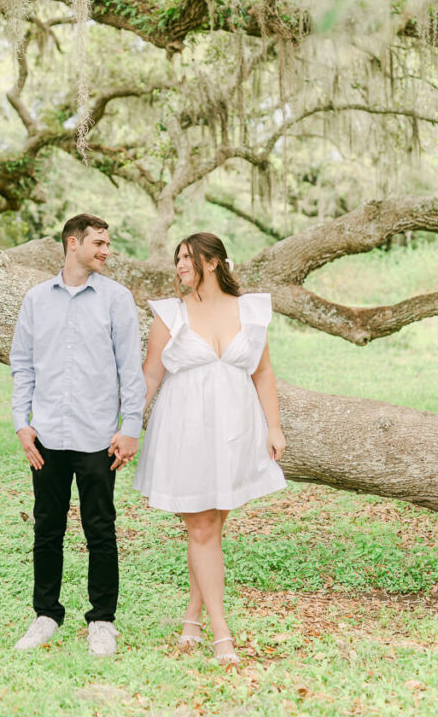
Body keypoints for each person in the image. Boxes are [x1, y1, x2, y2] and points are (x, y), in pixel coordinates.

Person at [131, 232, 286, 665]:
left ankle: (191, 620)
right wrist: (128, 427)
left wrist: (274, 427)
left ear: (213, 262)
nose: (180, 265)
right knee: (201, 528)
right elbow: (151, 377)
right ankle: (222, 636)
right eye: (177, 258)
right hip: (186, 431)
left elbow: (263, 372)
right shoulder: (170, 315)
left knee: (213, 528)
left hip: (236, 430)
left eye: (188, 258)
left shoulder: (250, 311)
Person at [10, 213, 145, 657]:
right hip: (46, 435)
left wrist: (130, 429)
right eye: (99, 243)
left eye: (108, 243)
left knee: (100, 530)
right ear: (73, 243)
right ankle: (45, 614)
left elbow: (131, 370)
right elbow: (23, 364)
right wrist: (21, 422)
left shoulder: (116, 299)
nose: (106, 250)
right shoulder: (35, 299)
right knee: (47, 530)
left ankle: (102, 620)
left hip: (97, 438)